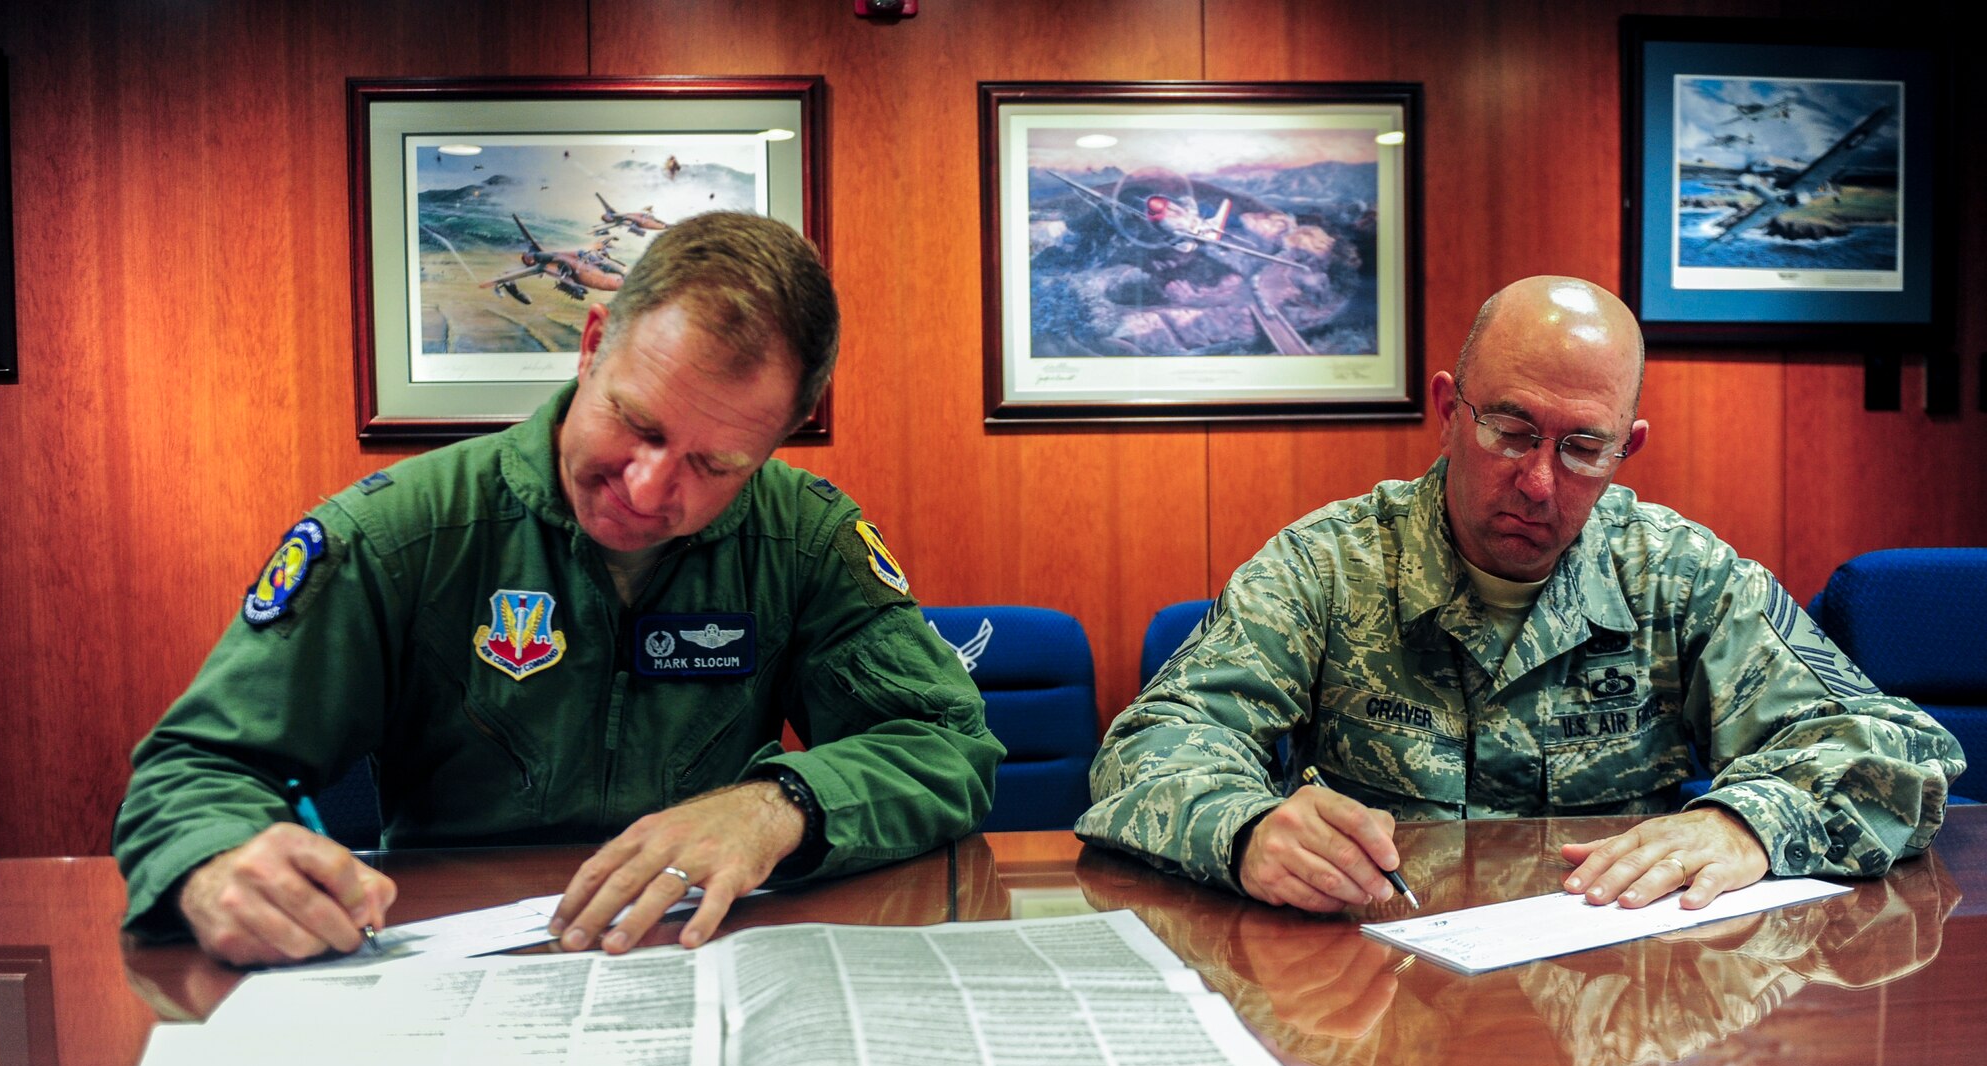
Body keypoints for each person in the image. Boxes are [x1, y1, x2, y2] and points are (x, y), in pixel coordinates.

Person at [116, 212, 1002, 966]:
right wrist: (216, 861)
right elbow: (195, 767)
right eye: (637, 421)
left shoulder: (804, 536)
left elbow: (948, 744)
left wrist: (780, 806)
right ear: (590, 345)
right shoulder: (401, 533)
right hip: (452, 967)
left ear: (776, 442)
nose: (651, 489)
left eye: (714, 462)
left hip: (702, 954)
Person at [1078, 275, 1964, 912]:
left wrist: (1747, 825)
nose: (1539, 482)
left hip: (1612, 985)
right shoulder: (1326, 567)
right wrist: (1247, 829)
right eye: (1510, 430)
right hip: (1378, 987)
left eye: (1583, 448)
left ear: (1629, 448)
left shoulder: (1676, 573)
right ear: (1448, 407)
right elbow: (1148, 749)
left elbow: (1899, 751)